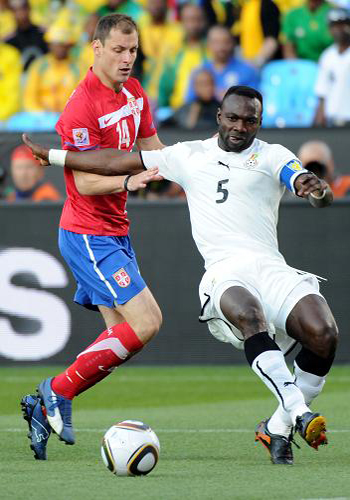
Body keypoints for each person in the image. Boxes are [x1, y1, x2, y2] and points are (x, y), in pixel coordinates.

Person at [25, 85, 338, 466]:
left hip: (271, 267)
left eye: (250, 120)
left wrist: (316, 191)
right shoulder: (188, 155)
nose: (241, 127)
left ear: (259, 122)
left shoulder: (273, 155)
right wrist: (56, 156)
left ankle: (277, 425)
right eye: (234, 118)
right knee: (251, 317)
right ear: (220, 116)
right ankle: (297, 410)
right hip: (225, 273)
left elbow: (306, 184)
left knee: (324, 335)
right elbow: (115, 161)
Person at [20, 13, 164, 461]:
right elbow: (83, 183)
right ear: (96, 48)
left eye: (133, 50)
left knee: (119, 337)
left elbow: (155, 149)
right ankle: (54, 391)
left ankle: (44, 405)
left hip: (115, 230)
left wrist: (198, 165)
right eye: (118, 50)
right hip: (87, 232)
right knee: (147, 321)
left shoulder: (135, 92)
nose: (127, 59)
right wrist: (128, 182)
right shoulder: (81, 108)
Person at [186, 25, 260, 103]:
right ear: (208, 45)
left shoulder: (247, 71)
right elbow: (189, 102)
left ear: (233, 43)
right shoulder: (199, 71)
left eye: (226, 42)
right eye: (216, 42)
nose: (221, 47)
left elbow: (254, 102)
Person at [158, 3, 207, 110]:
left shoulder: (211, 51)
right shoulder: (175, 52)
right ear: (182, 23)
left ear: (204, 22)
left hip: (205, 112)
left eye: (197, 19)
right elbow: (165, 87)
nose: (193, 24)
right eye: (189, 20)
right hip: (177, 111)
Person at [23, 22, 80, 113]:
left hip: (70, 117)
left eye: (63, 44)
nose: (59, 48)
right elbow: (30, 96)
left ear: (69, 46)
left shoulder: (78, 68)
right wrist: (39, 113)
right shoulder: (39, 66)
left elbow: (83, 98)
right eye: (55, 44)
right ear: (49, 45)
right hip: (41, 119)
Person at [314, 7, 350, 127]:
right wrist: (319, 120)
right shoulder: (327, 56)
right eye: (335, 25)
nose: (339, 29)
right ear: (329, 29)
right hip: (333, 119)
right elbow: (322, 92)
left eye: (343, 24)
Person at [5, 0, 47, 71]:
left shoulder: (43, 34)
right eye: (15, 10)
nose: (20, 13)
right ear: (11, 13)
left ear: (29, 9)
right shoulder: (9, 41)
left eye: (23, 8)